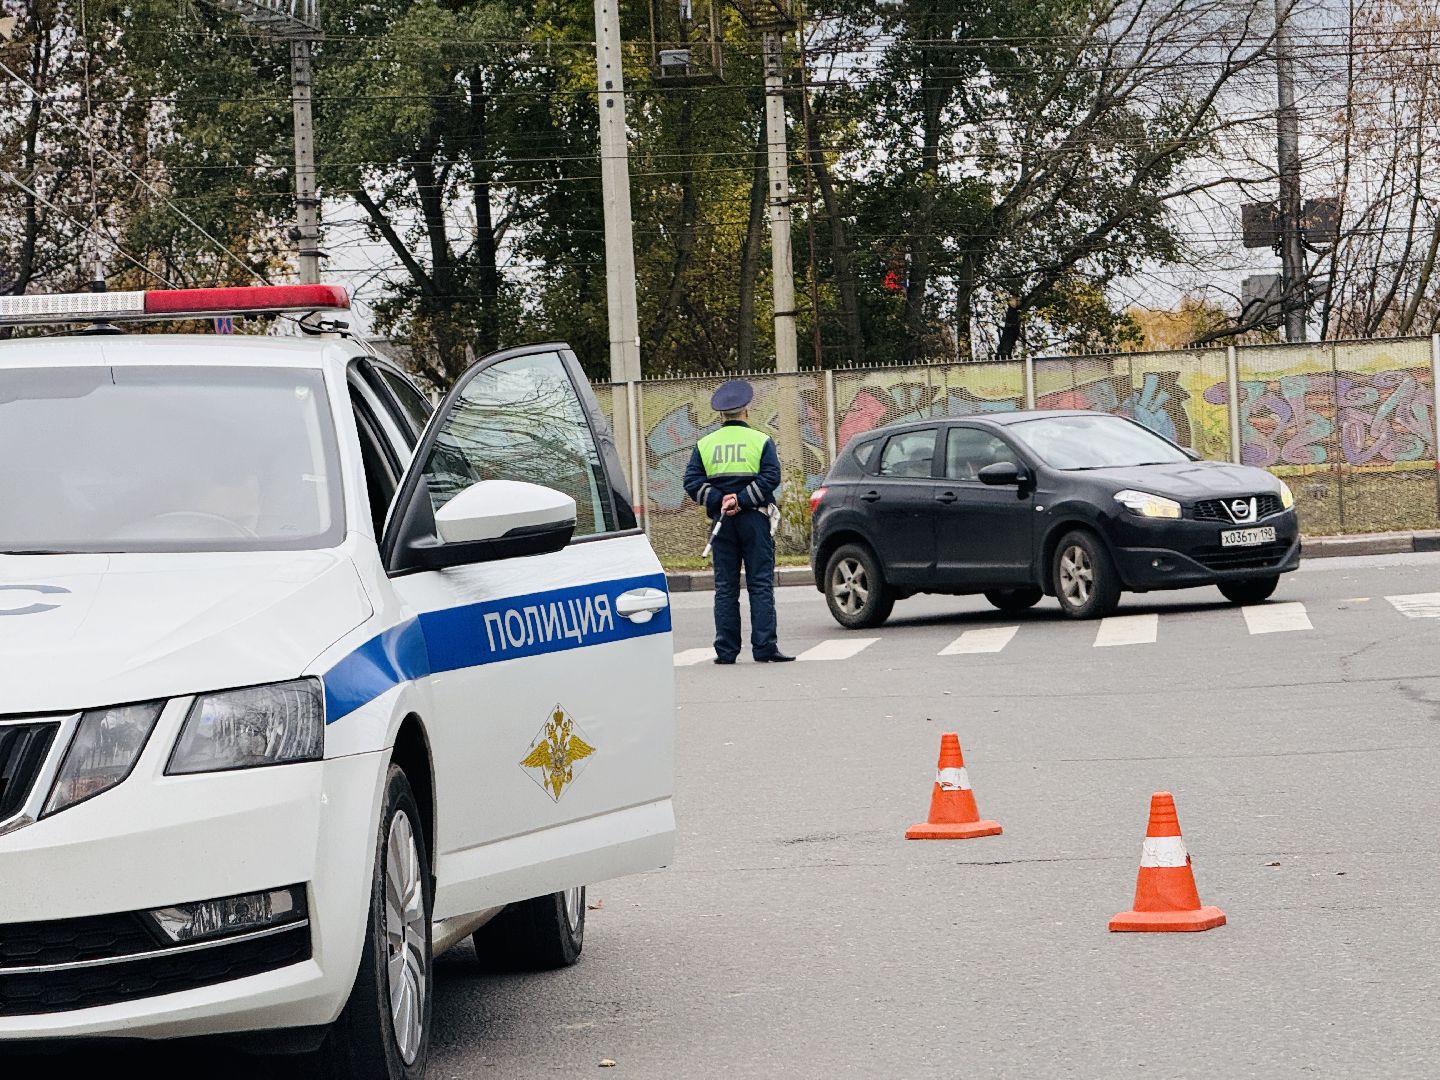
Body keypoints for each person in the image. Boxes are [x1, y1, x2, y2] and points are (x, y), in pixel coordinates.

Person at [683, 379, 794, 665]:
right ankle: (765, 647)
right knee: (760, 583)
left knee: (726, 587)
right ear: (746, 409)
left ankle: (726, 651)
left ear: (721, 414)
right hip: (754, 519)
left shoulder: (705, 444)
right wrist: (741, 499)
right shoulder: (760, 441)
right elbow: (771, 477)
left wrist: (720, 499)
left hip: (721, 522)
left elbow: (692, 482)